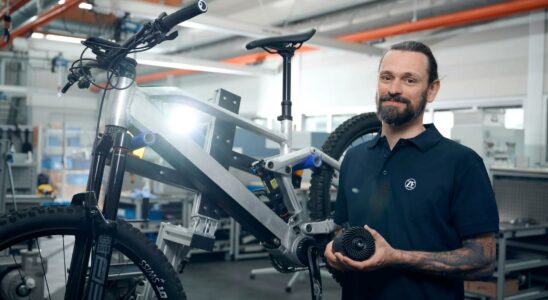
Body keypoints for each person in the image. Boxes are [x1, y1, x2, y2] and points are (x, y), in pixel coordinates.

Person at [324, 41, 499, 300]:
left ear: (432, 90)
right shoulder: (355, 158)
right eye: (387, 77)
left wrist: (397, 257)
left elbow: (483, 260)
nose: (393, 89)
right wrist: (335, 247)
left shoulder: (461, 163)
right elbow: (343, 228)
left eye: (409, 80)